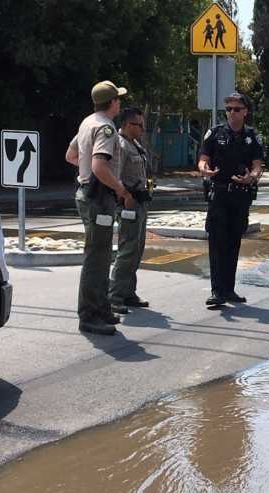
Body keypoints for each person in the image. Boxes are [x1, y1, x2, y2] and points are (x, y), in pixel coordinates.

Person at [65, 80, 135, 335]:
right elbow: (99, 166)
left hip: (89, 194)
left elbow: (71, 155)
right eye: (119, 99)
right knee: (96, 258)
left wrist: (88, 176)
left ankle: (102, 307)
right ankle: (89, 315)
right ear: (113, 102)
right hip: (98, 199)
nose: (120, 103)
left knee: (102, 254)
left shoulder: (87, 122)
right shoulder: (105, 128)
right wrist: (120, 189)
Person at [198, 91, 263, 307]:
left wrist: (251, 177)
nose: (231, 113)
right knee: (217, 242)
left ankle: (229, 289)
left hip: (240, 196)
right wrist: (204, 169)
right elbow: (203, 160)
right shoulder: (215, 133)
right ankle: (217, 291)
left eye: (236, 109)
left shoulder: (252, 136)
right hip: (219, 194)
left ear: (245, 112)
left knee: (233, 242)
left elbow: (257, 165)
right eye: (228, 109)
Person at [110, 107, 151, 310]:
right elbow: (115, 177)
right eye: (139, 125)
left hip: (139, 203)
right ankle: (115, 296)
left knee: (136, 250)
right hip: (128, 204)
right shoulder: (120, 145)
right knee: (127, 251)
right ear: (127, 125)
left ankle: (128, 293)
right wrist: (124, 196)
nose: (143, 129)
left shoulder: (133, 143)